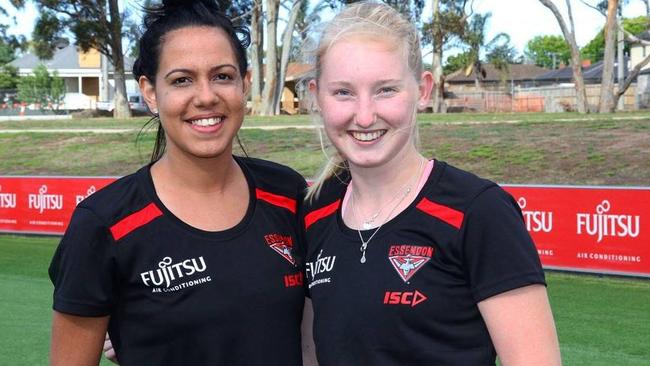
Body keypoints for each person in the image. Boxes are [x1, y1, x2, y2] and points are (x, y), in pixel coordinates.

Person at [48, 1, 310, 365]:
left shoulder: (289, 194)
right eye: (181, 80)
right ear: (151, 92)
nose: (205, 96)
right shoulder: (105, 223)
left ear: (245, 84)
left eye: (222, 76)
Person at [300, 2, 562, 365]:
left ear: (422, 90)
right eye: (343, 92)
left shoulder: (479, 211)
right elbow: (313, 352)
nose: (363, 115)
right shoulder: (316, 211)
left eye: (385, 90)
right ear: (316, 96)